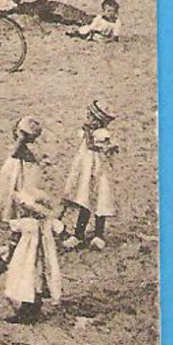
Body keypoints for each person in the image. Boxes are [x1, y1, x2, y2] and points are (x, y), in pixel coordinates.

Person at [59, 101, 119, 251]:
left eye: (90, 116)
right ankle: (78, 235)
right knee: (84, 202)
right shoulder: (88, 132)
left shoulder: (101, 134)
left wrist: (87, 132)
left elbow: (92, 145)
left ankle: (98, 235)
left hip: (100, 172)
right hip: (86, 172)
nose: (87, 118)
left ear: (98, 121)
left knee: (100, 202)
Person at [0, 185, 63, 324]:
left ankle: (27, 312)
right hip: (42, 256)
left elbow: (14, 239)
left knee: (26, 280)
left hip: (26, 257)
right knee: (38, 282)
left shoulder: (25, 223)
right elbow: (60, 233)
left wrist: (9, 256)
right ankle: (34, 309)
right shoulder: (48, 223)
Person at [0, 116, 49, 222]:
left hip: (14, 166)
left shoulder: (21, 145)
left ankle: (5, 212)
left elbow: (15, 152)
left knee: (10, 187)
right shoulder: (23, 146)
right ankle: (8, 212)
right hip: (15, 166)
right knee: (12, 187)